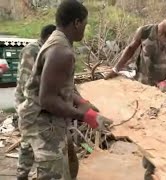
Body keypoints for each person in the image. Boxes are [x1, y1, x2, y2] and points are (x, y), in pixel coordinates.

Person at [17, 1, 112, 179]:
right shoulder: (61, 52)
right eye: (85, 23)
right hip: (45, 126)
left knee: (68, 165)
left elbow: (58, 87)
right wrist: (85, 116)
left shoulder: (58, 41)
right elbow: (48, 99)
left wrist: (81, 102)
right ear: (76, 22)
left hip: (47, 123)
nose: (85, 27)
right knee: (55, 175)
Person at [104, 7, 166, 93]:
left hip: (161, 91)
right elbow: (130, 49)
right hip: (140, 85)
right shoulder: (145, 31)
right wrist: (116, 69)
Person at [15, 24, 56, 180]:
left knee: (31, 143)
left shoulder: (43, 50)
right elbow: (27, 84)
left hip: (34, 105)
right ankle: (22, 174)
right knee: (29, 144)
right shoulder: (32, 51)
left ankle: (24, 174)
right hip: (28, 105)